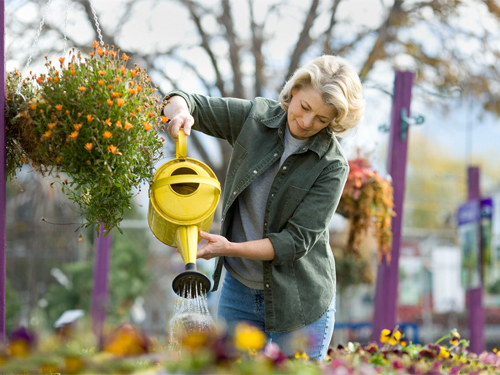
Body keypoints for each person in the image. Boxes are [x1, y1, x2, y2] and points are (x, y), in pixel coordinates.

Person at [163, 55, 364, 360]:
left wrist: (229, 248)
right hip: (239, 291)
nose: (307, 122)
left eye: (322, 119)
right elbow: (186, 101)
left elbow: (294, 242)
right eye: (305, 108)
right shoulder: (254, 120)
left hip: (299, 301)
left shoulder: (332, 166)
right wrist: (179, 114)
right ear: (294, 90)